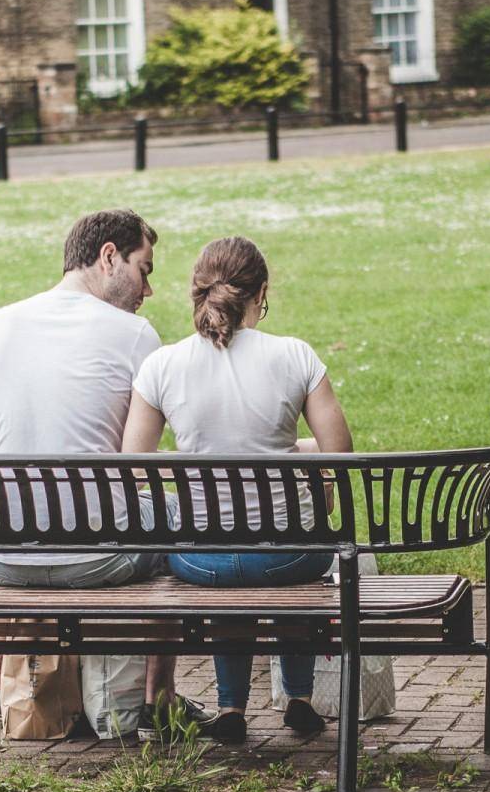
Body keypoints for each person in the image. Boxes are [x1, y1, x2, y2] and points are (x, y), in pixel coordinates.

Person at [0, 207, 207, 739]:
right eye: (145, 268)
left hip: (0, 559)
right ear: (108, 257)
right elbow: (139, 463)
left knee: (10, 508)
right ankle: (155, 697)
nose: (149, 288)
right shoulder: (134, 335)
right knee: (177, 532)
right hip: (98, 559)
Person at [120, 236, 353, 744]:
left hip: (202, 560)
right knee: (294, 564)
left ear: (198, 292)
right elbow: (340, 451)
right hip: (292, 557)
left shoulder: (163, 365)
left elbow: (134, 465)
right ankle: (299, 698)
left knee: (228, 574)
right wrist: (300, 457)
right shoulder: (295, 355)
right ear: (261, 292)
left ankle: (230, 706)